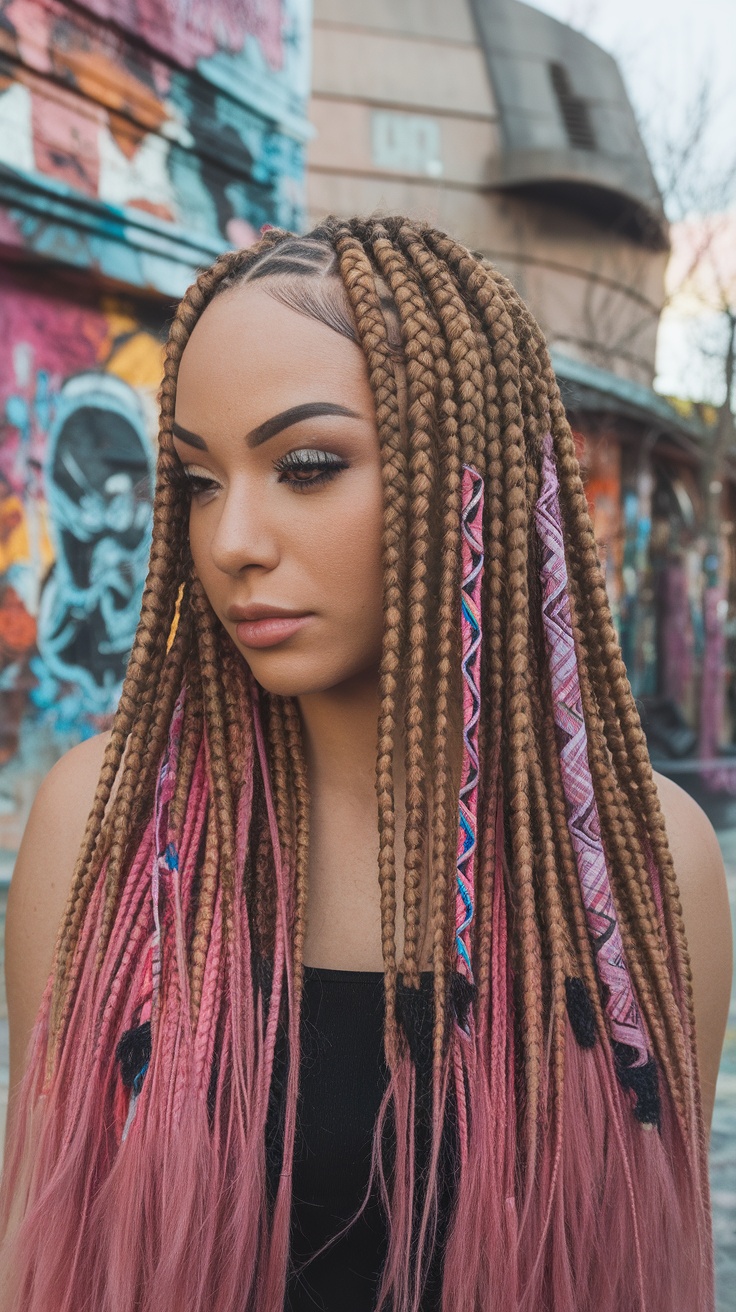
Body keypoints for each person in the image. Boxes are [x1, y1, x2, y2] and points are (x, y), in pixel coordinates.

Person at [1, 217, 732, 1312]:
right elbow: (35, 1256)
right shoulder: (105, 830)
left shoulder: (641, 863)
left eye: (305, 465)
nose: (232, 538)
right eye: (199, 480)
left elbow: (656, 1268)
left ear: (468, 474)